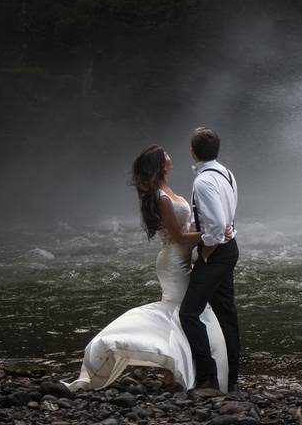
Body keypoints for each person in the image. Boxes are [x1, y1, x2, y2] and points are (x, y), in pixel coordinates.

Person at [63, 145, 232, 392]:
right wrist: (215, 234)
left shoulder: (167, 190)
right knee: (187, 312)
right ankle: (176, 371)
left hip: (182, 258)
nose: (170, 156)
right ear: (160, 165)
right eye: (165, 155)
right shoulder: (161, 197)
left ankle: (171, 373)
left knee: (183, 313)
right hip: (173, 260)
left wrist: (207, 235)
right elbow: (180, 237)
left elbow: (185, 230)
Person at [179, 127, 240, 395]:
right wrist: (224, 231)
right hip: (229, 247)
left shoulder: (203, 181)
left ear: (193, 152)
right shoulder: (226, 172)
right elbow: (226, 217)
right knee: (226, 315)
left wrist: (201, 243)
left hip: (215, 253)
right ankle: (232, 380)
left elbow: (215, 225)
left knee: (189, 313)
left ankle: (209, 379)